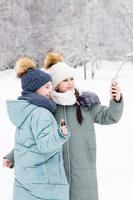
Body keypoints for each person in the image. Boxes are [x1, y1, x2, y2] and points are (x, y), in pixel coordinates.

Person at [4, 52, 124, 200]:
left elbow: (110, 116)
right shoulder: (49, 109)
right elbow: (35, 138)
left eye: (71, 78)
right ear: (55, 84)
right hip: (57, 173)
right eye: (64, 80)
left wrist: (116, 100)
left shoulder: (86, 104)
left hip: (83, 171)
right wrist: (13, 156)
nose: (70, 83)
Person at [5, 56, 70, 200]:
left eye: (51, 86)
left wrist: (12, 156)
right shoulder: (41, 113)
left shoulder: (25, 111)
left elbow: (27, 144)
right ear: (34, 90)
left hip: (26, 178)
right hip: (43, 181)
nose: (50, 90)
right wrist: (59, 134)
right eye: (46, 87)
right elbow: (44, 145)